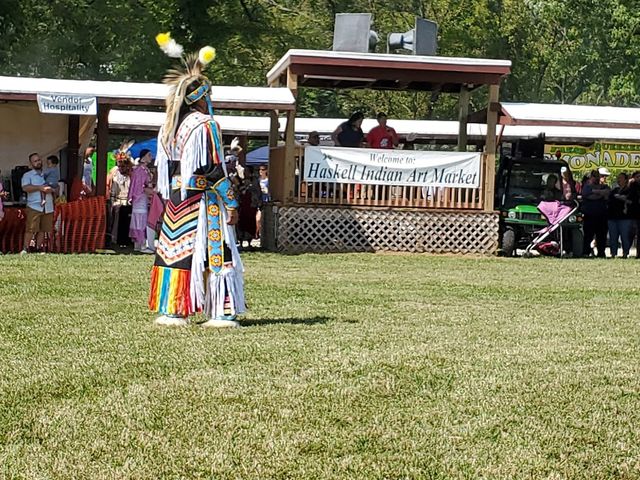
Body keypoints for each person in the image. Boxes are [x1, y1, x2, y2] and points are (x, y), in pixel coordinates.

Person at [149, 34, 245, 328]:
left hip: (177, 203)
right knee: (217, 253)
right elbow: (213, 169)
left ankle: (173, 310)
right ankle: (220, 312)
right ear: (201, 97)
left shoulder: (168, 129)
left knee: (177, 253)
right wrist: (231, 202)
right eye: (208, 96)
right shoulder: (206, 125)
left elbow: (167, 172)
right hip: (205, 202)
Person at [21, 153, 55, 254]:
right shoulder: (28, 175)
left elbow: (55, 187)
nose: (38, 162)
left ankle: (38, 248)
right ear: (31, 164)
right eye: (35, 161)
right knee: (31, 229)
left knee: (43, 229)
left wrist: (51, 190)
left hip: (48, 206)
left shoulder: (47, 173)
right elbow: (25, 188)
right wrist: (39, 188)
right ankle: (25, 248)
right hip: (34, 205)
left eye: (39, 160)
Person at [129, 148, 154, 253]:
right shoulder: (139, 170)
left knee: (141, 219)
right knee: (140, 219)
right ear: (143, 157)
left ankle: (140, 244)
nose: (151, 157)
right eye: (149, 155)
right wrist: (148, 190)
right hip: (140, 198)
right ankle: (141, 244)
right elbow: (139, 186)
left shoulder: (144, 170)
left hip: (143, 198)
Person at [581, 169, 610, 257]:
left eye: (598, 176)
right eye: (594, 176)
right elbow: (588, 196)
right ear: (591, 177)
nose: (596, 178)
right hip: (589, 215)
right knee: (588, 235)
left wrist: (595, 192)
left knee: (601, 236)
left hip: (602, 215)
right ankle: (586, 252)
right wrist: (600, 194)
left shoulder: (605, 186)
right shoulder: (586, 187)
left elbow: (607, 193)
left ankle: (601, 253)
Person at [110, 143, 133, 248]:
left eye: (123, 165)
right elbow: (112, 188)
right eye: (119, 165)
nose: (121, 167)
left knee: (128, 221)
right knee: (117, 222)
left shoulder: (131, 175)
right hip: (117, 202)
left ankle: (128, 241)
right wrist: (113, 201)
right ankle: (117, 240)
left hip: (129, 201)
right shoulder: (114, 173)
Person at [608, 172, 633, 258]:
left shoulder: (629, 190)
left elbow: (631, 201)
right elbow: (609, 200)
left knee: (625, 236)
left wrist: (623, 198)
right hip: (612, 217)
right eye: (618, 178)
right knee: (613, 237)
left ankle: (625, 253)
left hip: (624, 218)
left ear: (626, 180)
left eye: (621, 178)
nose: (618, 179)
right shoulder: (614, 190)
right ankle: (613, 253)